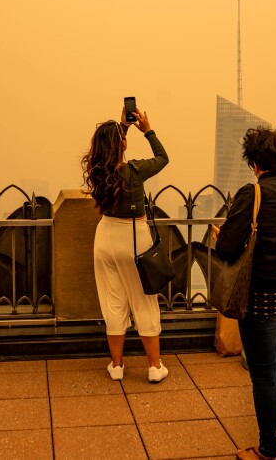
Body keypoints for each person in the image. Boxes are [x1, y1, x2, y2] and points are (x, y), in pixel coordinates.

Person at [212, 127, 276, 460]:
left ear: (255, 162)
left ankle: (268, 448)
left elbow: (228, 248)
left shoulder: (253, 193)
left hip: (262, 296)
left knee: (263, 374)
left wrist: (220, 236)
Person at [81, 107, 170, 383]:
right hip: (134, 238)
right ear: (122, 144)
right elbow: (163, 158)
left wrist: (123, 128)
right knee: (143, 301)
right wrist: (147, 130)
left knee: (113, 302)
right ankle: (154, 367)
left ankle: (117, 366)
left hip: (106, 237)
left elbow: (112, 151)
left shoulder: (98, 172)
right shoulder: (134, 171)